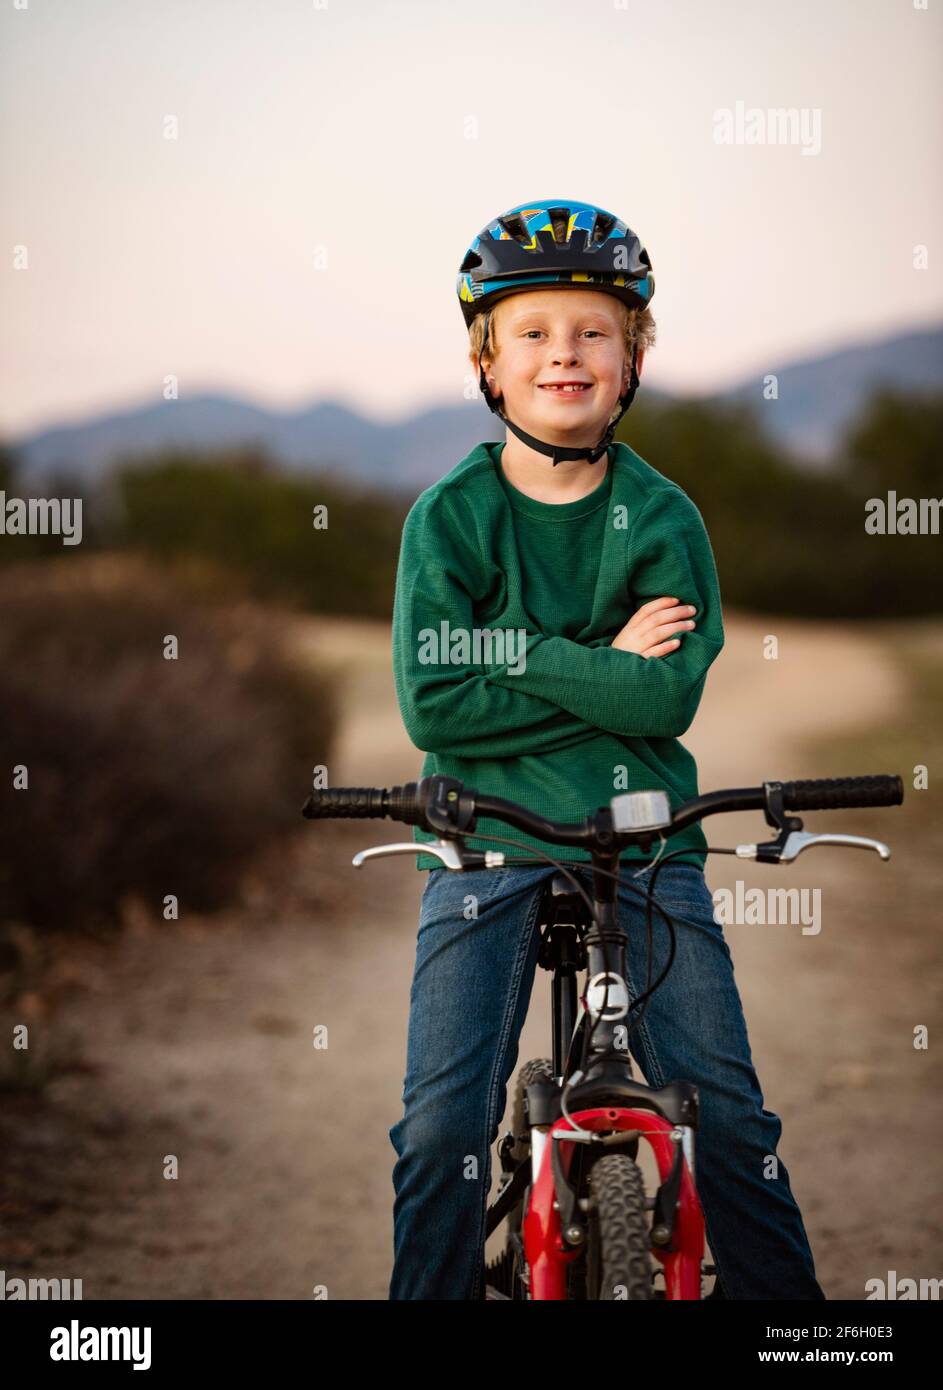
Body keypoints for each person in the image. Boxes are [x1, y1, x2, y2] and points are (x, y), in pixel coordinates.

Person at [387, 199, 824, 1301]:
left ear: (635, 354)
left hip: (647, 839)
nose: (563, 355)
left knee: (727, 1116)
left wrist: (510, 653)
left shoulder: (663, 515)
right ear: (488, 362)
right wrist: (595, 664)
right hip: (484, 841)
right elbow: (437, 707)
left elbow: (665, 694)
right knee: (438, 1131)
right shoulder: (448, 518)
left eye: (591, 330)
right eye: (530, 333)